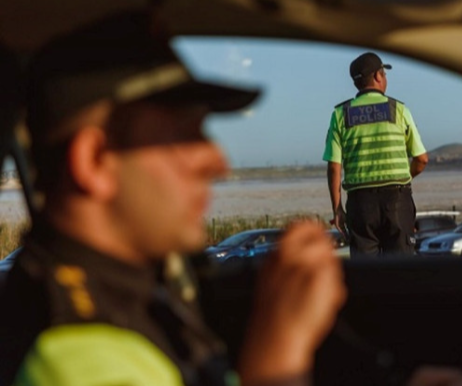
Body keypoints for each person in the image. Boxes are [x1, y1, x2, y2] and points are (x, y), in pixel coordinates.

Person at [0, 12, 346, 386]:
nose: (219, 162)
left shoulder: (140, 292)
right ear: (94, 162)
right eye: (184, 135)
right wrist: (280, 354)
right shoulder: (70, 362)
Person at [323, 52, 429, 258]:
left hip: (360, 204)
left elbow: (334, 167)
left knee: (365, 274)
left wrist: (337, 209)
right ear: (379, 76)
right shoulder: (399, 110)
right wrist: (404, 175)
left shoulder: (340, 115)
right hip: (397, 200)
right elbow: (422, 159)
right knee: (401, 271)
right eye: (384, 74)